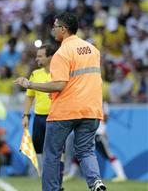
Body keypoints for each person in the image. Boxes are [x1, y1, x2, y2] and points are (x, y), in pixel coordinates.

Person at [14, 12, 106, 191]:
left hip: (66, 111)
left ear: (63, 29)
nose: (52, 30)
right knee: (86, 151)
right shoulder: (93, 50)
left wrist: (29, 83)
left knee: (51, 155)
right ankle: (96, 182)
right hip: (92, 109)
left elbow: (59, 85)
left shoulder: (62, 53)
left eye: (55, 26)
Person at [21, 44, 65, 189]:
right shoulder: (35, 74)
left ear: (50, 57)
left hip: (56, 118)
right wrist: (25, 115)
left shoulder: (59, 74)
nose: (37, 58)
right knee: (39, 151)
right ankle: (45, 180)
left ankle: (58, 183)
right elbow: (29, 97)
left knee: (58, 152)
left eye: (40, 56)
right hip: (39, 118)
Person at [65, 102, 127, 182]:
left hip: (98, 134)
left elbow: (105, 118)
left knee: (108, 154)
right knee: (80, 153)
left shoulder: (103, 104)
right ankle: (72, 175)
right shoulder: (89, 101)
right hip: (89, 133)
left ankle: (121, 175)